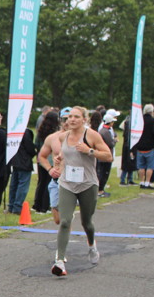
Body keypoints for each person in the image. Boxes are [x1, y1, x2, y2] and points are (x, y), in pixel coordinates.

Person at [39, 106, 112, 276]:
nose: (72, 119)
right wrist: (59, 159)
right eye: (69, 117)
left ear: (84, 119)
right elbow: (64, 154)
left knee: (87, 223)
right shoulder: (63, 136)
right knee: (65, 221)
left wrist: (90, 151)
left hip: (87, 184)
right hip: (67, 183)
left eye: (76, 117)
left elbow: (108, 156)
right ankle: (59, 262)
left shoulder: (91, 135)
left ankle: (92, 245)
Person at [32, 111, 60, 214]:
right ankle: (45, 206)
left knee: (41, 182)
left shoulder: (40, 130)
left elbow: (36, 144)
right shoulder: (55, 133)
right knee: (49, 183)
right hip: (50, 161)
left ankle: (37, 205)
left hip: (41, 159)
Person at [6, 124, 37, 214]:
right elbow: (30, 148)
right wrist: (34, 152)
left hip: (15, 160)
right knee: (23, 185)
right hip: (24, 161)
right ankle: (17, 206)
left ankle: (11, 205)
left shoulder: (13, 131)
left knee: (14, 184)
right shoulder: (25, 132)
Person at [133, 104, 154, 188]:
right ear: (152, 111)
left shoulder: (139, 120)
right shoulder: (153, 121)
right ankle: (147, 182)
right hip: (150, 146)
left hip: (140, 146)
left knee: (141, 166)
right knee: (150, 166)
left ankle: (141, 182)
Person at [97, 109, 118, 197]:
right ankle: (100, 190)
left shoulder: (102, 130)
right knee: (104, 174)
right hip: (106, 156)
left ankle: (100, 190)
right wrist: (115, 140)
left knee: (101, 173)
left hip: (101, 156)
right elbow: (110, 143)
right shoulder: (106, 132)